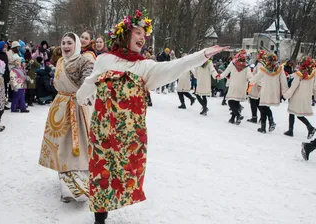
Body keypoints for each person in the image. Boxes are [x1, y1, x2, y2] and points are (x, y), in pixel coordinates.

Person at [76, 9, 228, 224]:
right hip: (103, 130)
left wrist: (202, 55)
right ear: (125, 34)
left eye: (144, 35)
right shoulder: (105, 60)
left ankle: (112, 202)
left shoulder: (145, 67)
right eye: (138, 32)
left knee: (124, 175)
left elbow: (175, 66)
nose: (142, 37)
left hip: (130, 136)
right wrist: (79, 99)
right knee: (101, 173)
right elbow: (90, 83)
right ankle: (99, 217)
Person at [38, 32, 94, 203]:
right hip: (59, 108)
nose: (65, 46)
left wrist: (81, 96)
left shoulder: (85, 61)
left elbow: (89, 83)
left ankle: (79, 186)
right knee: (61, 147)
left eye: (69, 42)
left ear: (76, 44)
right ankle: (66, 187)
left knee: (77, 148)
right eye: (63, 43)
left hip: (77, 108)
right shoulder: (60, 61)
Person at [250, 53, 289, 133]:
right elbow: (283, 81)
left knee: (263, 107)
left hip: (265, 90)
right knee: (265, 107)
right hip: (274, 91)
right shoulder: (280, 69)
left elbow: (256, 78)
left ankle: (265, 126)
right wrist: (285, 92)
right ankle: (269, 124)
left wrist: (249, 81)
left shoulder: (264, 69)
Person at [282, 56, 316, 139]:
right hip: (306, 96)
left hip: (296, 96)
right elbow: (315, 87)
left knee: (295, 113)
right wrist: (314, 97)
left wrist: (285, 95)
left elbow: (293, 87)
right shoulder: (313, 73)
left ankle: (309, 127)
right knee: (295, 113)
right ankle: (291, 130)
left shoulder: (299, 74)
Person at [218, 50, 253, 125]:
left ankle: (238, 115)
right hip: (242, 87)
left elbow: (225, 73)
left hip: (233, 86)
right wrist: (254, 82)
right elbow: (250, 77)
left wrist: (219, 77)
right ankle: (233, 119)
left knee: (230, 102)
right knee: (236, 102)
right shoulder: (247, 66)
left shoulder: (232, 63)